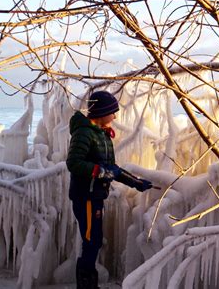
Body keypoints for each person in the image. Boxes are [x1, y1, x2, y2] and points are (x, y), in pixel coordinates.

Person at [66, 90, 153, 289]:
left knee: (94, 240)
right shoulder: (83, 133)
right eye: (112, 112)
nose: (115, 116)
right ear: (101, 112)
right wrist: (99, 171)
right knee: (91, 240)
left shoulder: (102, 136)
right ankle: (86, 285)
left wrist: (136, 182)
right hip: (85, 196)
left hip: (95, 196)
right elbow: (74, 163)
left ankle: (89, 284)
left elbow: (111, 169)